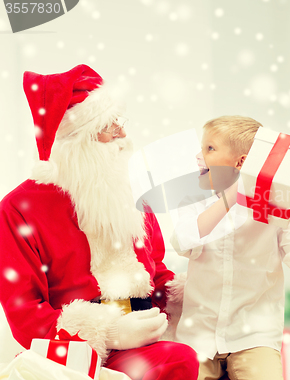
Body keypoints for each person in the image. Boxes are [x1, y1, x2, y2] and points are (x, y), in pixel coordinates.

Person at [0, 64, 198, 380]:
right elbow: (26, 315)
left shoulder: (130, 194)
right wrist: (107, 331)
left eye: (120, 122)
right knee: (177, 360)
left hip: (147, 341)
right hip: (71, 356)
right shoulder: (18, 209)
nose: (123, 135)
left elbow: (155, 272)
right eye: (109, 126)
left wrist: (197, 292)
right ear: (76, 141)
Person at [170, 116, 290, 380]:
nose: (199, 156)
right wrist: (232, 197)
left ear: (241, 162)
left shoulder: (277, 211)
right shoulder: (195, 200)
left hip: (255, 336)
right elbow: (181, 242)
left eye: (210, 148)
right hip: (198, 337)